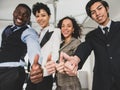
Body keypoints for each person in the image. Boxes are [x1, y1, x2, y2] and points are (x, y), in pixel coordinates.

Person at [59, 0, 120, 90]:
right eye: (93, 12)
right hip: (102, 82)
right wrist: (75, 60)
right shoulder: (92, 36)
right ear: (92, 17)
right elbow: (85, 47)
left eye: (100, 8)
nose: (98, 13)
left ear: (107, 8)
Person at [0, 3, 43, 90]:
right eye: (18, 12)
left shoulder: (29, 32)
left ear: (28, 19)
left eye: (25, 15)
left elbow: (33, 46)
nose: (20, 16)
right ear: (13, 13)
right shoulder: (5, 29)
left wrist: (36, 63)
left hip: (13, 73)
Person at [26, 2, 61, 90]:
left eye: (43, 15)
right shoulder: (37, 33)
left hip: (44, 75)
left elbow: (55, 53)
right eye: (37, 16)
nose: (40, 18)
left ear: (49, 16)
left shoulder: (56, 31)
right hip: (33, 74)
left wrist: (45, 70)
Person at [55, 16, 82, 90]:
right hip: (59, 84)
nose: (65, 28)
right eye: (63, 26)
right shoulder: (60, 44)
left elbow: (77, 61)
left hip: (71, 85)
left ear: (73, 29)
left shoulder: (76, 42)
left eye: (69, 26)